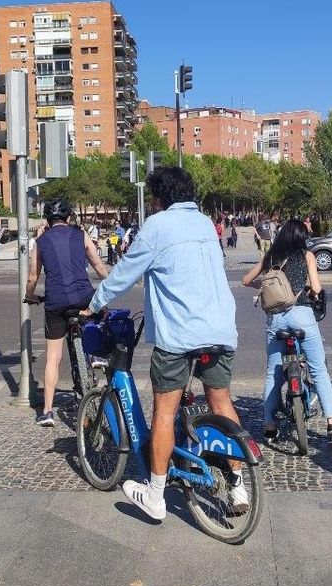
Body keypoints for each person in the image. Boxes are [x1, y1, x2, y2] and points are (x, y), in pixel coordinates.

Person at [86, 166, 245, 521]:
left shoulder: (157, 226)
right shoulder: (205, 222)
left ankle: (155, 496)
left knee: (165, 411)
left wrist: (92, 305)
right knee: (221, 402)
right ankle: (238, 485)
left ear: (159, 198)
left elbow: (123, 276)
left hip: (179, 335)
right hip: (219, 328)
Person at [242, 219, 332, 442]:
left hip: (275, 320)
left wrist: (265, 287)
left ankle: (269, 425)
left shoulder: (270, 257)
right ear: (301, 237)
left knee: (272, 374)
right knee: (318, 370)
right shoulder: (306, 255)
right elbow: (316, 288)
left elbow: (245, 279)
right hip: (302, 316)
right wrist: (308, 288)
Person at [23, 198, 108, 427]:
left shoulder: (40, 241)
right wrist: (110, 286)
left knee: (53, 358)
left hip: (55, 302)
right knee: (101, 313)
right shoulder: (81, 235)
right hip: (83, 297)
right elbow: (99, 266)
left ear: (48, 220)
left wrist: (30, 297)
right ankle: (98, 354)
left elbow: (33, 276)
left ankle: (48, 412)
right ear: (69, 217)